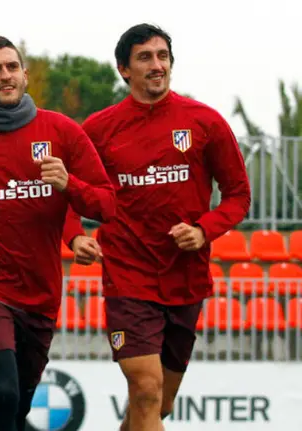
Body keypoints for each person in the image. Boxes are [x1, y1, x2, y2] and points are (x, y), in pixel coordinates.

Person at [0, 35, 115, 431]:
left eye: (12, 67)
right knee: (3, 393)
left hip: (39, 293)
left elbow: (105, 205)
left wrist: (69, 186)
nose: (5, 75)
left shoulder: (62, 132)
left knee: (16, 409)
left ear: (25, 74)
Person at [80, 24, 251, 431]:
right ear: (124, 69)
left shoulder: (204, 121)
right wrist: (74, 233)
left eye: (162, 56)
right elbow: (64, 189)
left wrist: (204, 229)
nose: (157, 66)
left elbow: (238, 195)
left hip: (185, 278)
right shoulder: (99, 130)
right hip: (127, 276)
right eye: (145, 58)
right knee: (145, 389)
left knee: (158, 404)